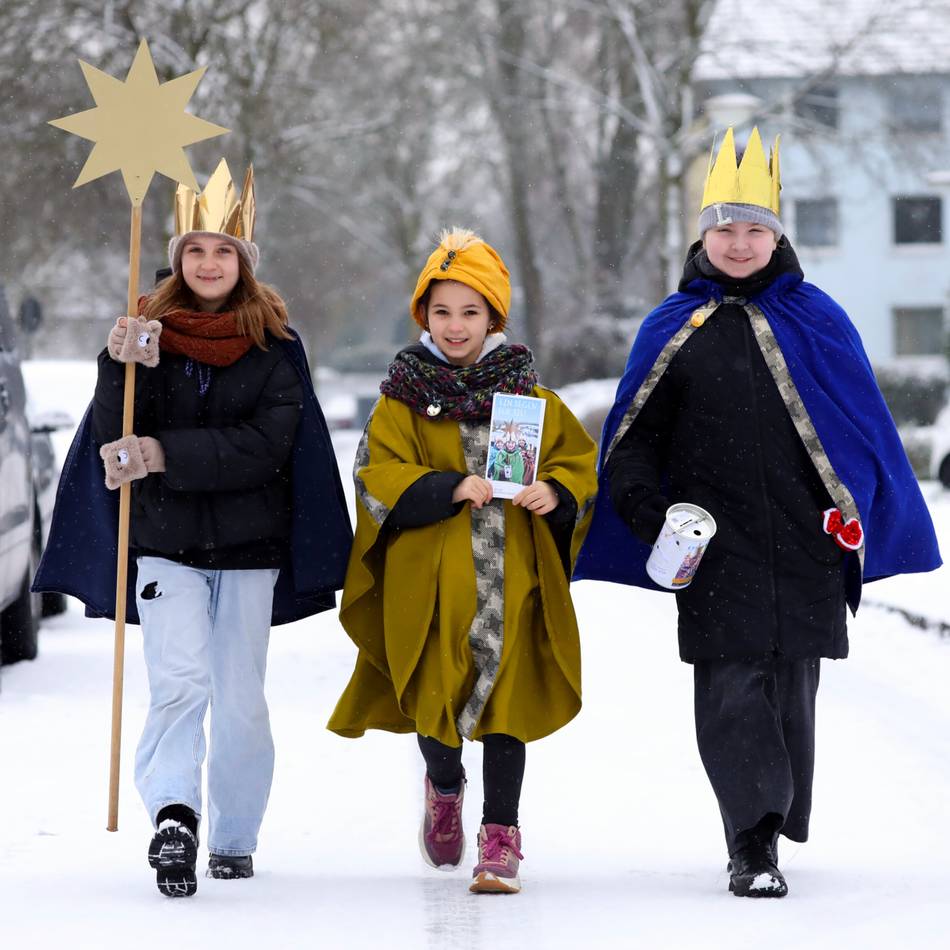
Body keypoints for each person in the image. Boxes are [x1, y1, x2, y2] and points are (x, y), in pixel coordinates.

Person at [574, 128, 941, 898]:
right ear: (702, 234)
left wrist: (857, 512)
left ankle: (770, 822)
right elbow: (635, 440)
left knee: (790, 693)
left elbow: (859, 429)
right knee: (732, 689)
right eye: (725, 229)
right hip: (714, 546)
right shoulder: (674, 324)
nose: (739, 244)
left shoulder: (819, 318)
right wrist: (646, 509)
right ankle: (751, 842)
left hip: (805, 543)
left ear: (776, 235)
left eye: (754, 230)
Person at [33, 160, 352, 898]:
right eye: (197, 251)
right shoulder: (145, 331)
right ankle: (174, 816)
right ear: (178, 260)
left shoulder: (275, 344)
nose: (210, 263)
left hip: (248, 548)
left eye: (224, 251)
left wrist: (165, 453)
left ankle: (235, 834)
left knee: (239, 696)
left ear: (243, 263)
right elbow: (113, 434)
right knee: (178, 684)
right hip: (163, 544)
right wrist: (119, 367)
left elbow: (266, 446)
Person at [328, 228, 598, 893]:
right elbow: (374, 474)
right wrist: (442, 486)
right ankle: (444, 787)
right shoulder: (402, 399)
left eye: (471, 312)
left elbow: (577, 465)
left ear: (493, 318)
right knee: (437, 698)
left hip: (512, 579)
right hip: (430, 584)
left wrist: (554, 490)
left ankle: (500, 836)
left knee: (507, 703)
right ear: (424, 315)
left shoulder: (528, 398)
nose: (455, 326)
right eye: (442, 311)